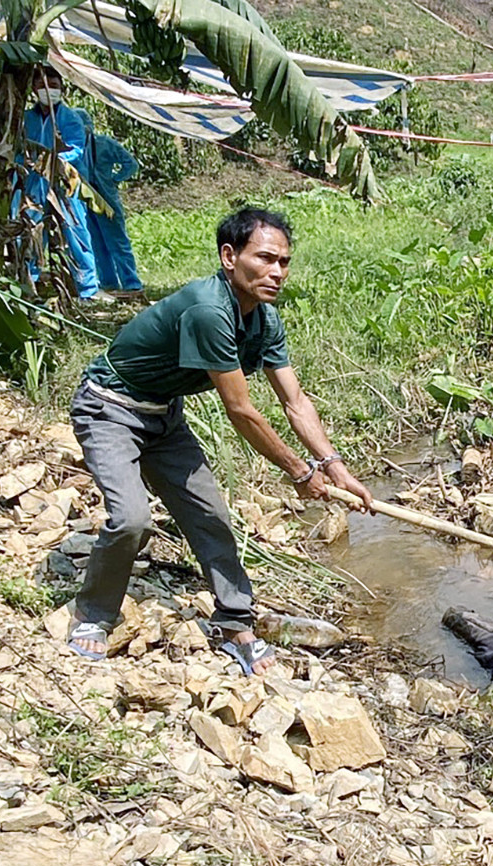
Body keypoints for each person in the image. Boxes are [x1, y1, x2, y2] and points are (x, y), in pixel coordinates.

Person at [66, 207, 373, 673]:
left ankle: (234, 623)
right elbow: (242, 411)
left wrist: (335, 467)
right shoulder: (209, 311)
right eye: (265, 258)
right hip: (109, 408)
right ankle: (93, 614)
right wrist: (298, 471)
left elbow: (295, 401)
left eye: (284, 262)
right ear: (229, 257)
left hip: (163, 417)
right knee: (131, 519)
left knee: (211, 516)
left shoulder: (264, 320)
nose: (276, 272)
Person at [18, 67, 102, 300]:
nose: (48, 91)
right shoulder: (28, 118)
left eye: (54, 86)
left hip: (63, 183)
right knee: (32, 231)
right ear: (34, 89)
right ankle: (29, 281)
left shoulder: (69, 118)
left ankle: (88, 289)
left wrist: (53, 159)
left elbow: (75, 149)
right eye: (43, 86)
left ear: (61, 89)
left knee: (75, 232)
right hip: (34, 184)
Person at [81, 112, 143, 297]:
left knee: (118, 243)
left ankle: (131, 283)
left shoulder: (104, 143)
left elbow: (131, 164)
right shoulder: (74, 147)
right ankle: (108, 282)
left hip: (107, 199)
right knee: (97, 243)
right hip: (86, 199)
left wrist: (114, 180)